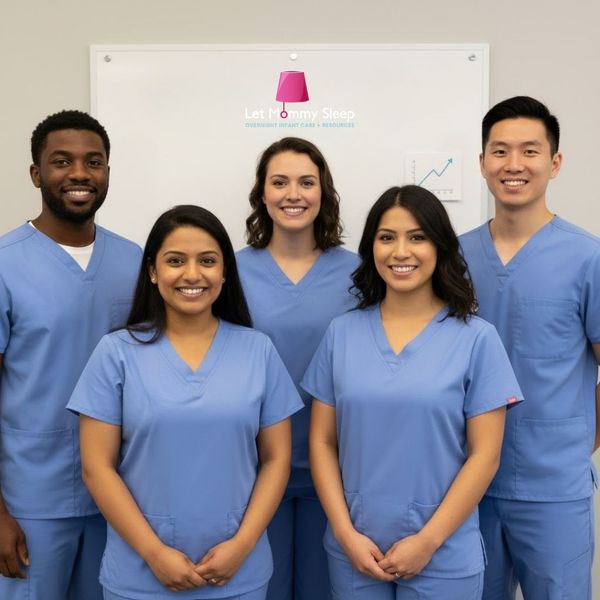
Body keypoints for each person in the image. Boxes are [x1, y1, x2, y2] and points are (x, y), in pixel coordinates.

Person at [67, 205, 303, 600]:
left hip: (236, 573)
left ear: (225, 272)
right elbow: (97, 468)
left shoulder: (257, 350)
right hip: (140, 575)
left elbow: (277, 460)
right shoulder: (116, 353)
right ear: (153, 271)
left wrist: (243, 545)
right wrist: (153, 553)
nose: (192, 274)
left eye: (207, 261)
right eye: (175, 261)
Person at [303, 185, 522, 600]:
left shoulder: (476, 339)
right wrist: (345, 534)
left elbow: (485, 455)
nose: (400, 251)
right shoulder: (341, 334)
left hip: (444, 554)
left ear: (439, 246)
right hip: (356, 553)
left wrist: (428, 542)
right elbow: (321, 441)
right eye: (387, 237)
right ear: (371, 248)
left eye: (417, 237)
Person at [459, 96, 600, 600]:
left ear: (554, 163)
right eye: (499, 151)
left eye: (529, 151)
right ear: (481, 162)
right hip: (463, 487)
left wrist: (576, 444)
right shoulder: (452, 257)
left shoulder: (588, 257)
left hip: (553, 489)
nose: (513, 165)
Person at [0, 110, 142, 600]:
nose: (79, 173)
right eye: (62, 162)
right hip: (29, 498)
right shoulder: (5, 263)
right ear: (37, 174)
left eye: (94, 162)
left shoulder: (137, 262)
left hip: (121, 495)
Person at [236, 137, 358, 600]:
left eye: (307, 182)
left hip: (336, 470)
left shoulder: (361, 273)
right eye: (280, 182)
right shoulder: (230, 271)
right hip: (254, 470)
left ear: (323, 192)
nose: (294, 194)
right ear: (262, 194)